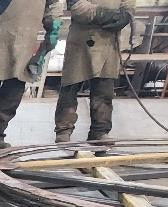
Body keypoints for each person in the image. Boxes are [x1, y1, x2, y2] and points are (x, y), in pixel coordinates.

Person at [0, 0, 62, 150]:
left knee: (14, 92)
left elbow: (54, 3)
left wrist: (54, 25)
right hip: (0, 34)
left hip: (27, 38)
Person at [54, 0, 137, 142]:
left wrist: (126, 15)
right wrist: (104, 14)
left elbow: (128, 3)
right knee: (70, 88)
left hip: (108, 42)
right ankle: (63, 130)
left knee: (104, 90)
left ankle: (99, 131)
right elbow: (76, 6)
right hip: (81, 40)